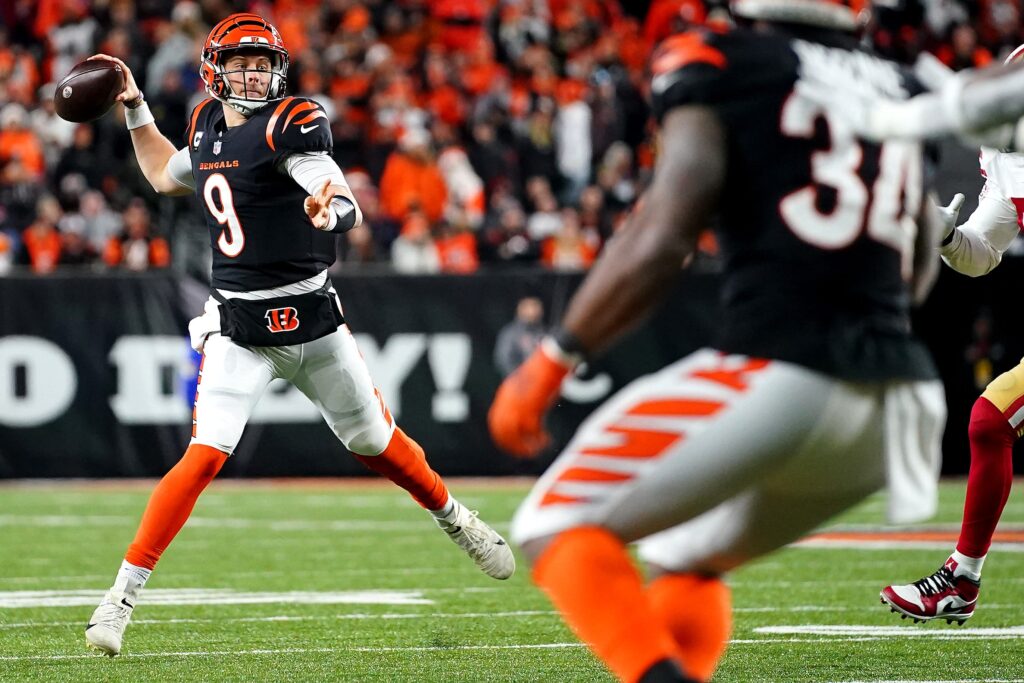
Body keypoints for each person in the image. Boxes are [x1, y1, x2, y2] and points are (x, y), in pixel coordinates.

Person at [487, 1, 949, 680]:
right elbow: (918, 269)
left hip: (781, 370)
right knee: (685, 555)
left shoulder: (722, 60)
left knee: (551, 523)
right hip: (901, 401)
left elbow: (662, 236)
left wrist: (554, 358)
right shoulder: (908, 86)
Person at [84, 13, 513, 658]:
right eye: (240, 63)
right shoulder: (203, 123)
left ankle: (455, 517)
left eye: (261, 62)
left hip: (310, 317)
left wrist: (333, 208)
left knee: (375, 441)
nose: (253, 73)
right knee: (203, 455)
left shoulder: (293, 120)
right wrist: (136, 108)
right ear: (216, 71)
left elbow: (331, 185)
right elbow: (164, 174)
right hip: (240, 325)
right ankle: (119, 597)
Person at [879, 45, 1024, 626]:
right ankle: (961, 579)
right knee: (990, 422)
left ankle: (961, 580)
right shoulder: (1005, 150)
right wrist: (944, 238)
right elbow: (982, 253)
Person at [494, 297, 546, 377]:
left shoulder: (543, 333)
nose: (538, 310)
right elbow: (503, 359)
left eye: (539, 307)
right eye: (533, 306)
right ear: (522, 309)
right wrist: (520, 378)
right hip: (519, 382)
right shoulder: (511, 333)